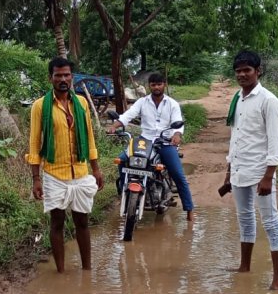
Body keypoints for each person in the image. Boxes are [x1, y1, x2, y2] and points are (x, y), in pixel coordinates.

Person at [27, 57, 104, 273]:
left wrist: (96, 168)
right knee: (57, 221)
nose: (63, 79)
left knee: (82, 221)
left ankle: (87, 270)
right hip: (54, 173)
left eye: (67, 75)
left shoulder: (81, 103)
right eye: (58, 75)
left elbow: (89, 137)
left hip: (80, 170)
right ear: (50, 77)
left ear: (72, 77)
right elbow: (34, 143)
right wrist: (35, 178)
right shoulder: (40, 106)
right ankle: (61, 271)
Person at [219, 50, 278, 290]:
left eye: (247, 70)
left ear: (258, 71)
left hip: (260, 172)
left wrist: (268, 176)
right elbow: (235, 137)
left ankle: (277, 281)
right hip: (239, 170)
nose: (242, 75)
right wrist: (228, 172)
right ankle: (244, 267)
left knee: (270, 222)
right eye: (238, 71)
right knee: (245, 219)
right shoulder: (237, 98)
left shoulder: (269, 101)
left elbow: (276, 141)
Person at [107, 72, 195, 222]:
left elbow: (178, 122)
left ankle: (189, 210)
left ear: (164, 85)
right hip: (144, 140)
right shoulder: (142, 102)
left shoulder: (172, 103)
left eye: (159, 84)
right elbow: (128, 115)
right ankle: (124, 190)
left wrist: (177, 135)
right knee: (122, 160)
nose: (156, 87)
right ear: (149, 86)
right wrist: (114, 126)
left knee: (178, 175)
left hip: (165, 142)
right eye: (153, 84)